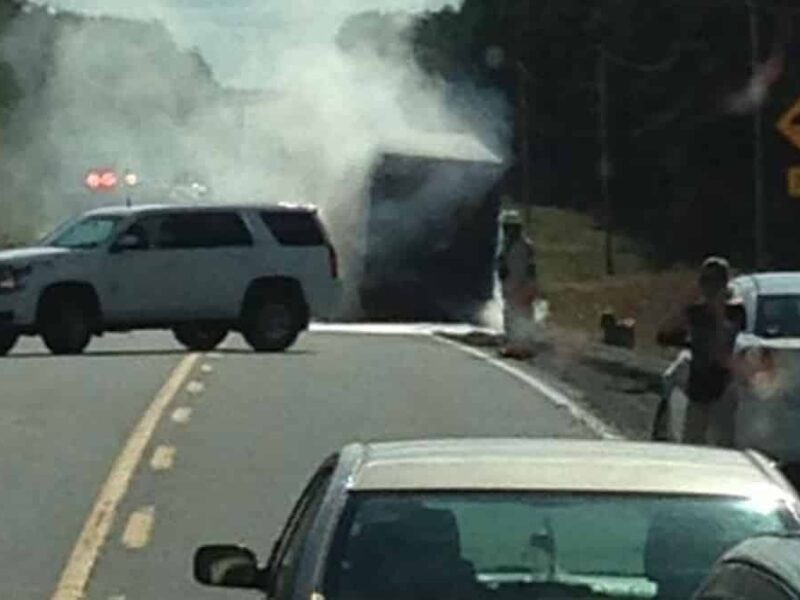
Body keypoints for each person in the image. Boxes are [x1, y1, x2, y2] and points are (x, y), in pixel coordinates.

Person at [657, 257, 746, 446]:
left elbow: (727, 337)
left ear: (724, 283)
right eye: (705, 281)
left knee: (724, 444)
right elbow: (665, 333)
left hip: (724, 385)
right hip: (698, 386)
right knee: (692, 443)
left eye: (715, 282)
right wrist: (684, 306)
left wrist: (718, 308)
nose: (709, 287)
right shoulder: (696, 312)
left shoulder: (735, 311)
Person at [497, 210, 538, 358]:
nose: (507, 231)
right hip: (511, 287)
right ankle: (513, 345)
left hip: (521, 287)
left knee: (522, 316)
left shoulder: (524, 246)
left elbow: (530, 268)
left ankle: (524, 346)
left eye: (509, 228)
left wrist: (530, 287)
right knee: (511, 316)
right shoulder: (506, 246)